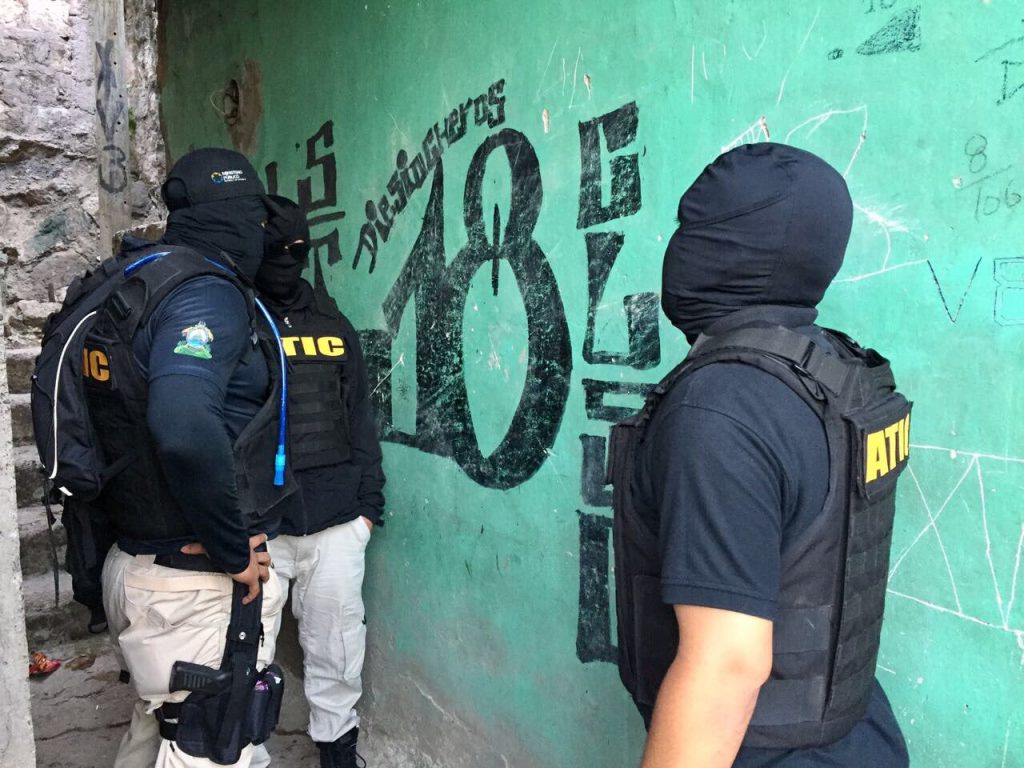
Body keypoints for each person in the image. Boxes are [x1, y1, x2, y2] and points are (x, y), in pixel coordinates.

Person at [612, 143, 911, 767]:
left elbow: (726, 666)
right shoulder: (839, 376)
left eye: (694, 229)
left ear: (730, 242)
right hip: (859, 735)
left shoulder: (720, 408)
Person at [97, 147, 296, 768]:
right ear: (235, 216)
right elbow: (182, 427)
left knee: (157, 728)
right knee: (214, 742)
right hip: (193, 584)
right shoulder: (207, 292)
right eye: (255, 218)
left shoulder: (135, 279)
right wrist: (232, 550)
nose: (262, 234)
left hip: (136, 560)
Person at [251, 195, 385, 768]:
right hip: (261, 529)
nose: (287, 262)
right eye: (275, 251)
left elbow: (359, 416)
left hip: (335, 522)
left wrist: (367, 509)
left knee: (338, 650)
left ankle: (338, 752)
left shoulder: (333, 325)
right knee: (247, 658)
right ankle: (247, 755)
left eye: (297, 250)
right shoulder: (237, 319)